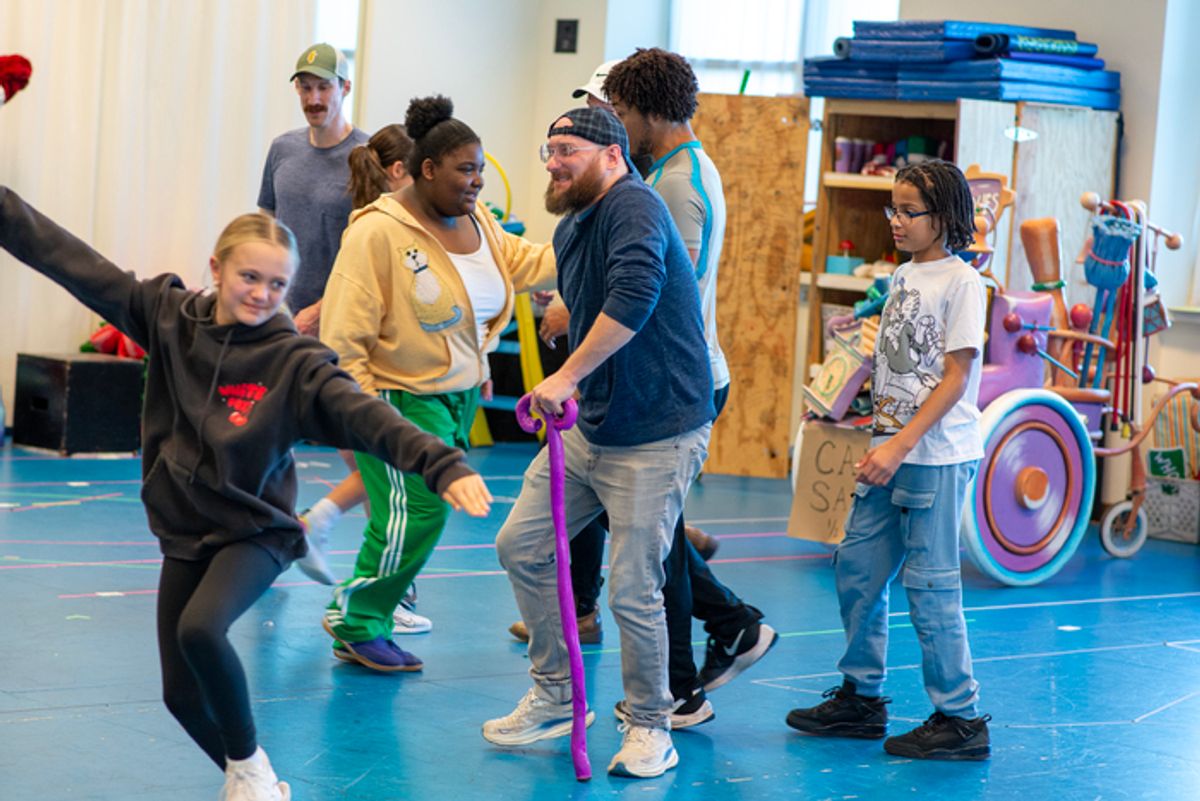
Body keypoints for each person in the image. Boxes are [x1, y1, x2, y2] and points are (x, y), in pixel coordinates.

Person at [0, 186, 491, 801]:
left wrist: (443, 465)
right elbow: (70, 260)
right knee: (180, 696)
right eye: (249, 278)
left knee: (201, 630)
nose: (261, 294)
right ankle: (251, 772)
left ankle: (252, 775)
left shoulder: (296, 364)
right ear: (217, 269)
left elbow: (369, 417)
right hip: (185, 530)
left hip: (257, 533)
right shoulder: (168, 318)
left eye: (277, 284)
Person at [510, 50, 778, 730]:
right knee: (645, 545)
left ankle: (679, 690)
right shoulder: (658, 176)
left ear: (647, 114)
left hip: (671, 385)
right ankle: (724, 633)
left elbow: (650, 289)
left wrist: (571, 340)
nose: (618, 126)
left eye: (621, 114)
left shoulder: (670, 187)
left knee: (648, 564)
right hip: (626, 386)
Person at [483, 107, 713, 780]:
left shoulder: (634, 205)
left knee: (634, 587)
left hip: (659, 431)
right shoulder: (572, 224)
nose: (553, 162)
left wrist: (565, 375)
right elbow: (590, 306)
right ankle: (557, 692)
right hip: (597, 425)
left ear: (612, 155)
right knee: (520, 544)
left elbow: (634, 297)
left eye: (568, 149)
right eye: (548, 149)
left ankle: (651, 725)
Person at [319, 95, 556, 673]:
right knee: (420, 511)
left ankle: (363, 618)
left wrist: (595, 237)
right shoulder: (377, 233)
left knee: (402, 515)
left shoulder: (478, 222)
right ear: (427, 169)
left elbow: (527, 264)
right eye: (464, 169)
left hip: (457, 398)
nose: (477, 181)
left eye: (480, 168)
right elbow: (344, 333)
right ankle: (355, 617)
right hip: (397, 397)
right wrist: (362, 413)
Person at [784, 159, 992, 761]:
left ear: (944, 217)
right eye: (892, 210)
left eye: (908, 212)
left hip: (933, 458)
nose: (895, 221)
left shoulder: (964, 282)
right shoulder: (902, 275)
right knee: (856, 569)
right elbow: (896, 363)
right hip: (886, 451)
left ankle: (960, 719)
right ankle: (861, 698)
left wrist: (901, 445)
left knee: (930, 587)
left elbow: (955, 377)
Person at [295, 123, 434, 636]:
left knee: (382, 488)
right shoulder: (380, 228)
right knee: (395, 493)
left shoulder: (378, 223)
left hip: (351, 372)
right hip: (367, 376)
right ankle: (378, 597)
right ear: (399, 171)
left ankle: (318, 526)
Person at [257, 42, 367, 337]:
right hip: (280, 315)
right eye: (305, 88)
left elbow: (372, 254)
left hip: (339, 320)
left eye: (323, 87)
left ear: (345, 88)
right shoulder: (282, 148)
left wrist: (321, 310)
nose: (313, 99)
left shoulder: (368, 156)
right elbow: (266, 228)